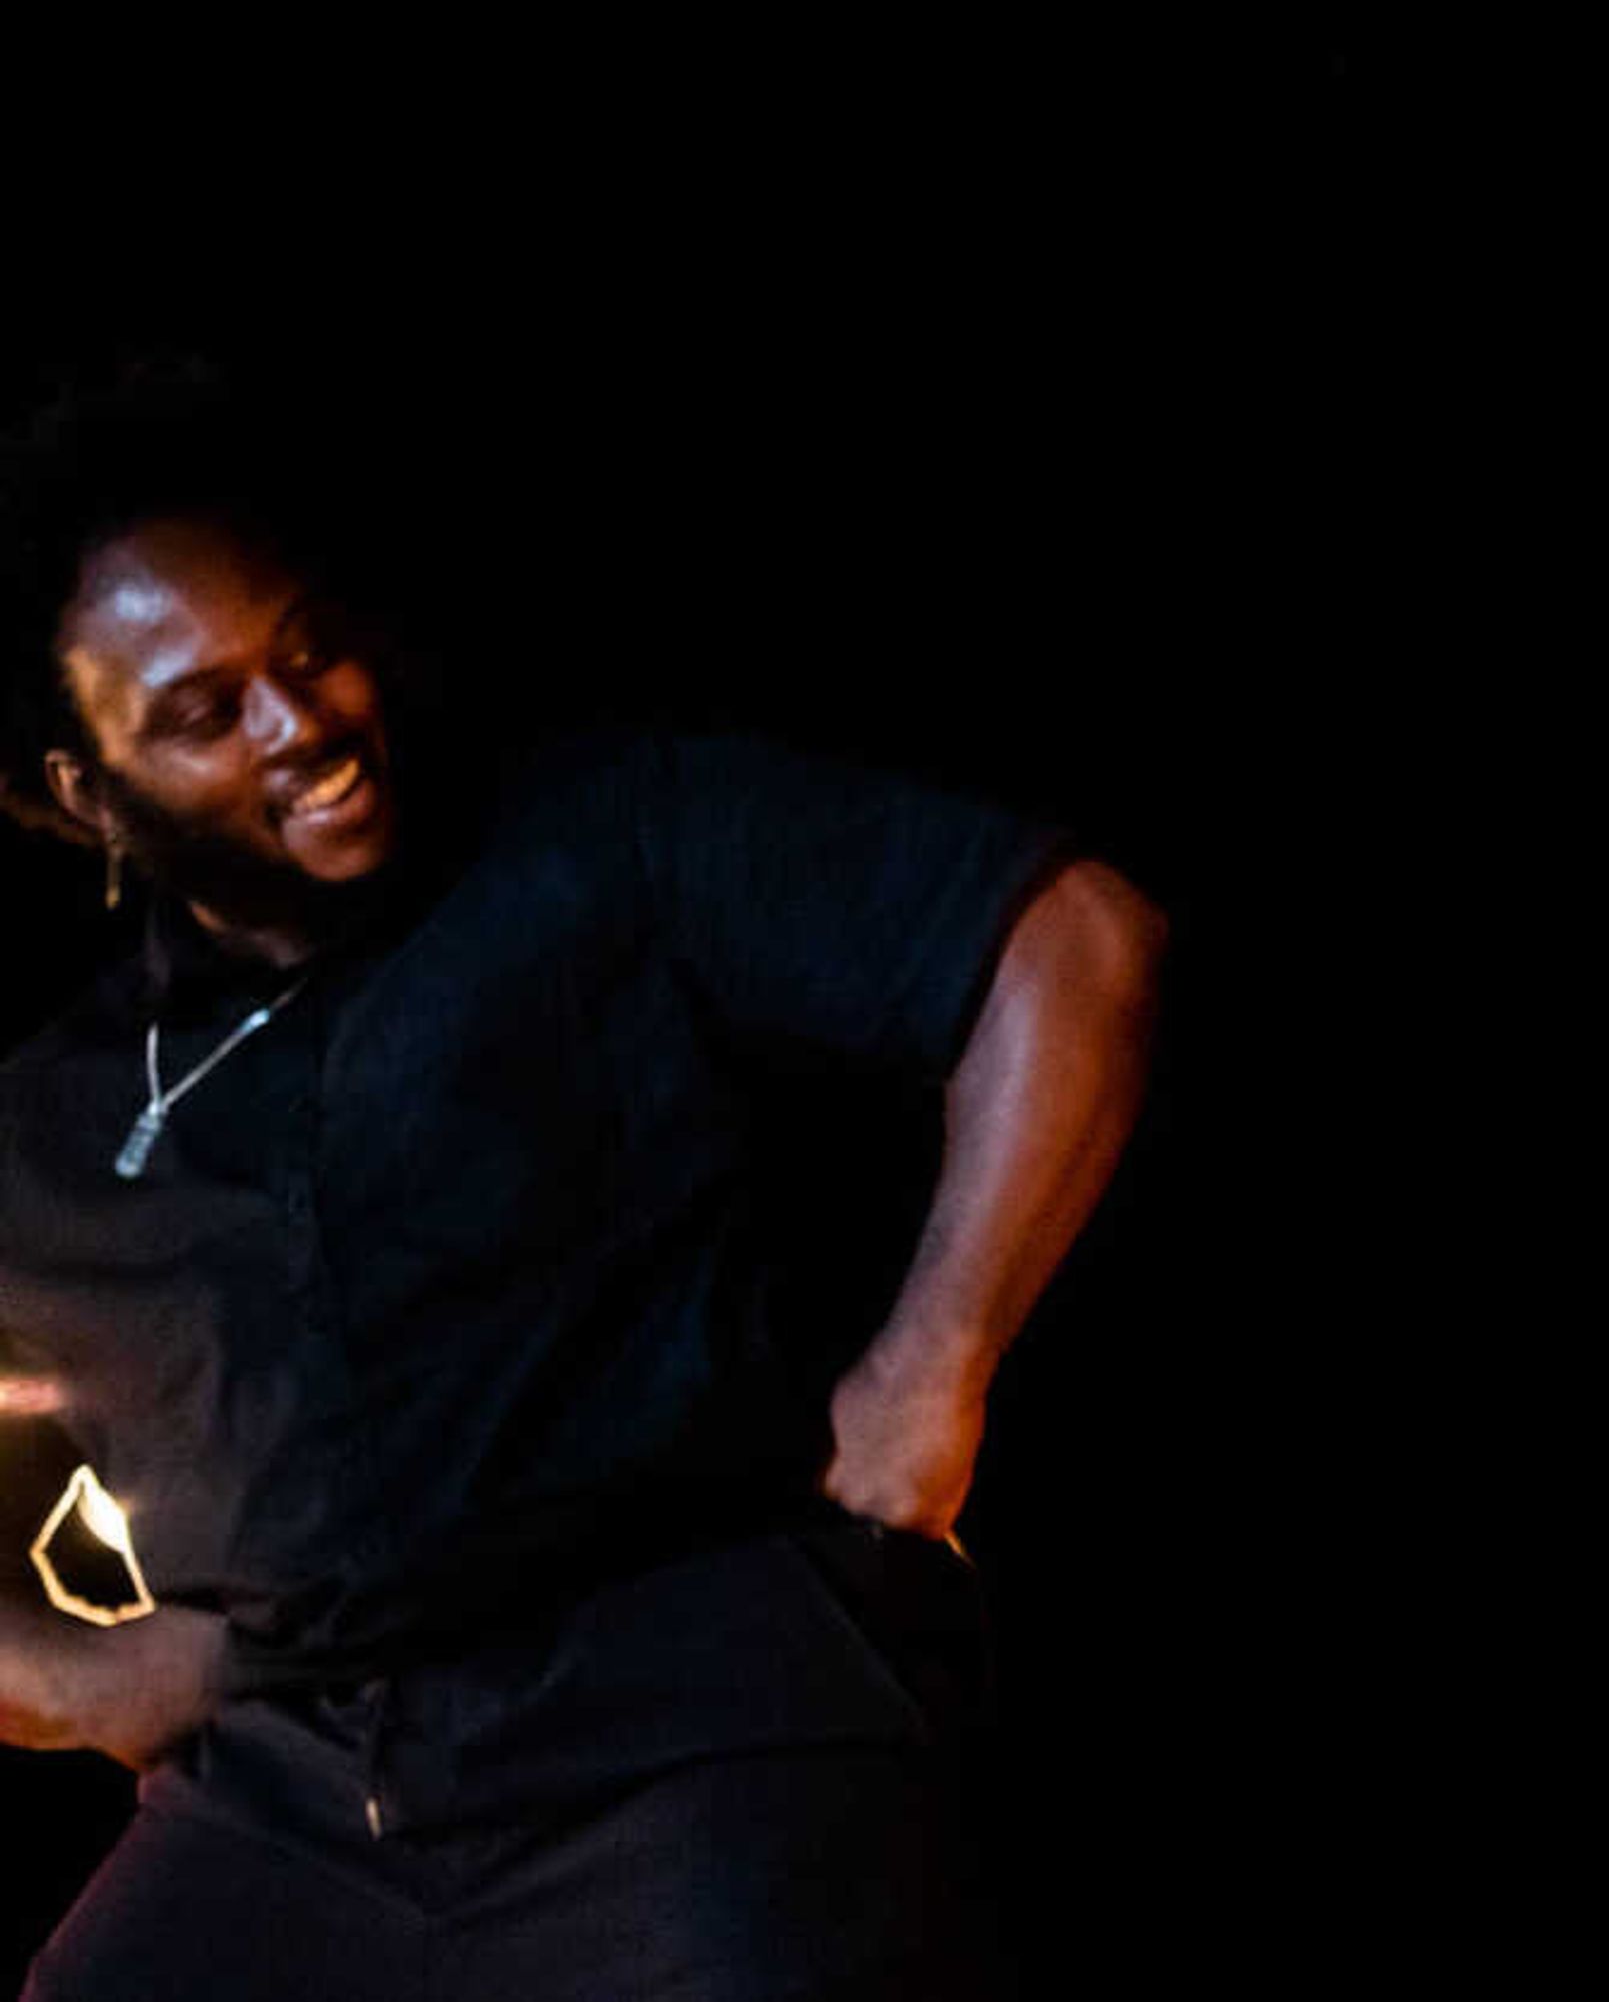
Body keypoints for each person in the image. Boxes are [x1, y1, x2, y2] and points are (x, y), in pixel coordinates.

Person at [0, 371, 1168, 1998]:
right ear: (83, 792)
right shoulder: (52, 1119)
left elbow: (1073, 942)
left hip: (680, 1714)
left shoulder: (584, 841)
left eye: (307, 650)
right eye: (208, 712)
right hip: (293, 1795)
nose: (306, 722)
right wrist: (61, 1671)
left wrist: (934, 1364)